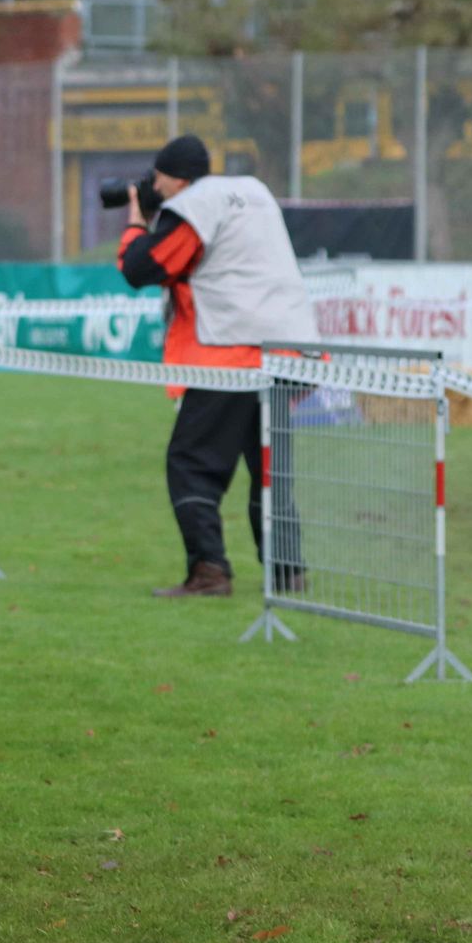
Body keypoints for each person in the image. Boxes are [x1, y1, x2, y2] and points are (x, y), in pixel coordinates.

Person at [117, 134, 315, 598]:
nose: (154, 188)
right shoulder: (253, 192)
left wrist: (136, 222)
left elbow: (142, 267)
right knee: (269, 468)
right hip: (286, 350)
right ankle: (288, 570)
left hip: (230, 354)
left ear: (177, 179)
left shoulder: (195, 205)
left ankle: (209, 570)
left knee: (191, 463)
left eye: (158, 179)